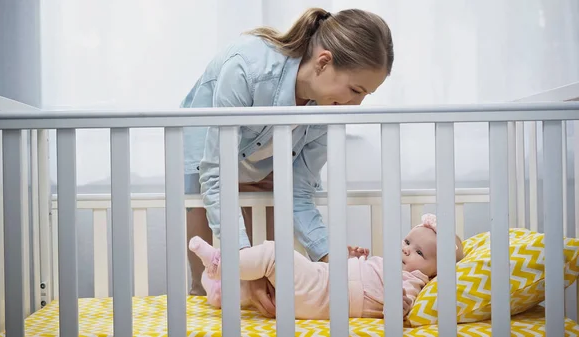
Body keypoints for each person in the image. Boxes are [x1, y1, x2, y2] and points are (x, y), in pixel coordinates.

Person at [180, 6, 395, 317]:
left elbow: (298, 191)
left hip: (257, 162)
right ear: (324, 62)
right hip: (207, 160)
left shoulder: (326, 108)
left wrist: (330, 257)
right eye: (355, 90)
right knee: (212, 280)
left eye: (366, 95)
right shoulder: (247, 68)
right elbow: (215, 175)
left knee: (270, 271)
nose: (357, 104)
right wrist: (245, 268)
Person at [189, 214, 465, 319]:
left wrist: (399, 304)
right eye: (407, 241)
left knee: (276, 254)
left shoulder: (413, 280)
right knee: (264, 286)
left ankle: (220, 264)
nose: (406, 249)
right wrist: (350, 259)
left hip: (324, 293)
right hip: (323, 288)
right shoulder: (388, 266)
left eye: (418, 252)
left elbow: (400, 305)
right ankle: (220, 292)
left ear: (435, 271)